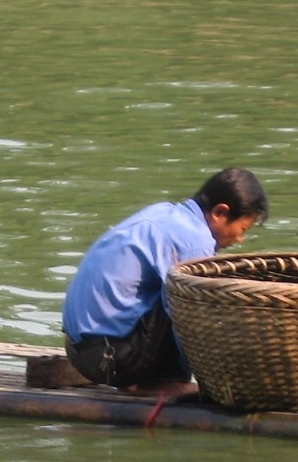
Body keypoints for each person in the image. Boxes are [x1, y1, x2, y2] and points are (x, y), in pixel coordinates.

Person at [62, 167, 268, 397]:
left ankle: (148, 380)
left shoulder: (164, 212)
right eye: (241, 229)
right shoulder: (194, 241)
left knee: (180, 292)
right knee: (194, 303)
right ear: (220, 212)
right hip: (108, 359)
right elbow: (189, 319)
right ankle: (164, 384)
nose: (240, 239)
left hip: (79, 350)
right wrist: (208, 381)